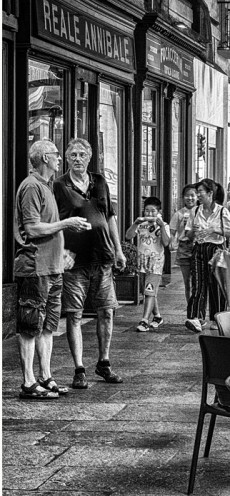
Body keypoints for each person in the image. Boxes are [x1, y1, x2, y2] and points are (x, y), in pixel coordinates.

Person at [14, 140, 90, 399]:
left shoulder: (45, 186)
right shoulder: (32, 186)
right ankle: (28, 382)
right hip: (35, 267)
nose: (60, 158)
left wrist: (63, 252)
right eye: (57, 154)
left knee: (48, 326)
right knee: (30, 325)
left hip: (52, 266)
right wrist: (66, 223)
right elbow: (33, 228)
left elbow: (46, 228)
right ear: (45, 158)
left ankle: (45, 377)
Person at [53, 137, 126, 389]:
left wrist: (118, 250)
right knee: (74, 315)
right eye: (72, 155)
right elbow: (53, 222)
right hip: (74, 261)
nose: (77, 159)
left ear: (90, 157)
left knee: (106, 310)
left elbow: (110, 218)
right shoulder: (59, 185)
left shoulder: (100, 182)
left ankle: (103, 363)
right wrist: (60, 251)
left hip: (103, 257)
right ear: (66, 158)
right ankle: (79, 368)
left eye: (82, 154)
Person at [185, 178, 230, 333]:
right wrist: (193, 231)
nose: (198, 195)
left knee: (216, 285)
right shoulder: (195, 211)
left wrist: (214, 229)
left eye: (200, 192)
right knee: (198, 284)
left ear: (210, 193)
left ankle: (217, 317)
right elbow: (188, 235)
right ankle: (196, 318)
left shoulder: (221, 211)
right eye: (197, 192)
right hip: (199, 249)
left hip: (216, 250)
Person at [126, 196, 171, 332]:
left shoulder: (164, 225)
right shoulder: (141, 224)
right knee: (148, 291)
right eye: (147, 211)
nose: (149, 214)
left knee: (149, 291)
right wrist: (135, 223)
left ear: (159, 212)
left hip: (155, 264)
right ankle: (157, 317)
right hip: (142, 263)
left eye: (153, 211)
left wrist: (162, 225)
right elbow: (128, 236)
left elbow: (166, 242)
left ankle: (144, 320)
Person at [169, 185, 198, 304]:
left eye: (193, 195)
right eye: (187, 195)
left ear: (197, 197)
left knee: (198, 280)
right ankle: (190, 306)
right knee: (187, 281)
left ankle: (197, 307)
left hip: (198, 246)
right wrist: (171, 242)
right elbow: (172, 231)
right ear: (182, 197)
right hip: (184, 247)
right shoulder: (179, 214)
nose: (189, 198)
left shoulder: (201, 211)